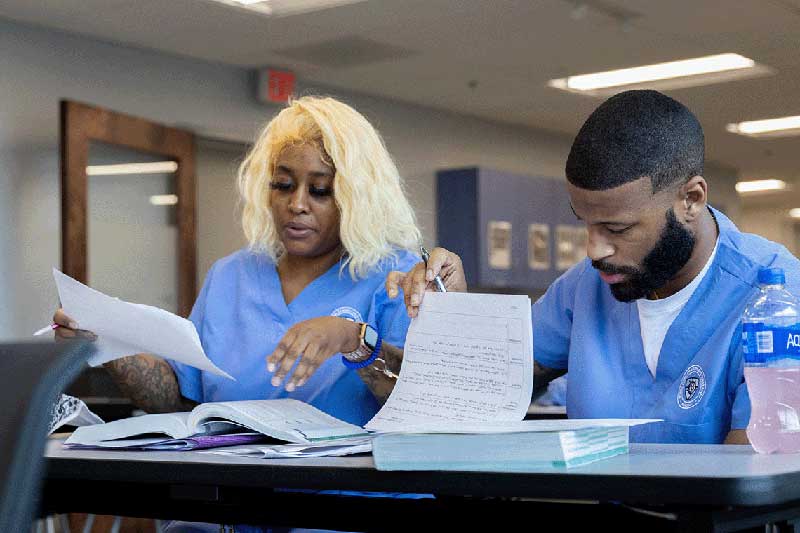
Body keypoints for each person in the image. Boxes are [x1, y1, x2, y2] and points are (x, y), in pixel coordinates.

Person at [388, 89, 800, 444]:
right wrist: (455, 310)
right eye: (584, 223)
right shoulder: (585, 288)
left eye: (616, 228)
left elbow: (751, 479)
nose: (594, 250)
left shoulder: (777, 298)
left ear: (690, 199)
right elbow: (489, 384)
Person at [55, 95, 419, 427]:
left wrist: (353, 339)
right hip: (233, 489)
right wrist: (105, 342)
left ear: (356, 197)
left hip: (350, 494)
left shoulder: (395, 278)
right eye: (283, 185)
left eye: (320, 191)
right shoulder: (231, 276)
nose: (297, 204)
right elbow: (179, 398)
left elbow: (416, 403)